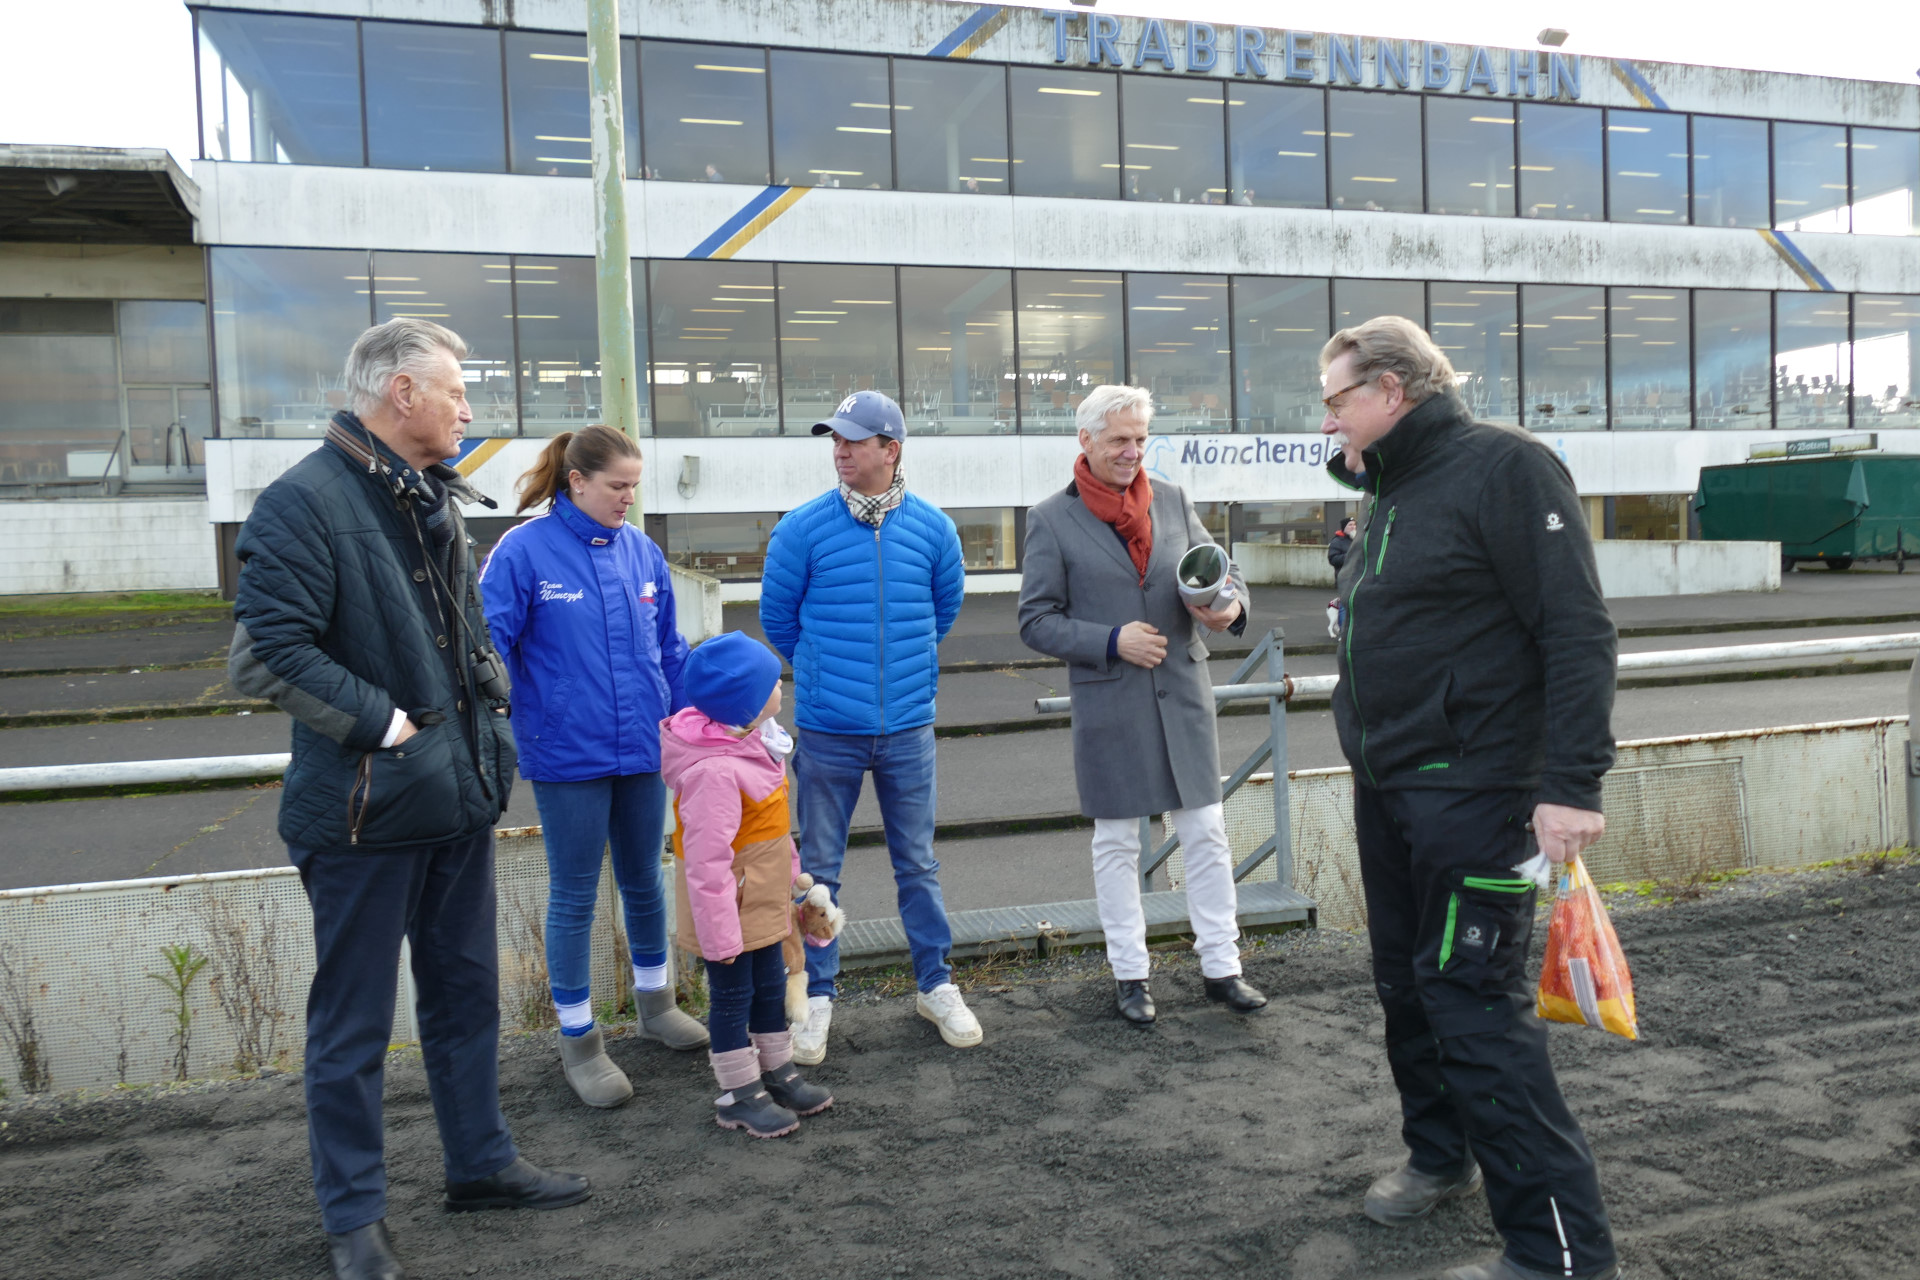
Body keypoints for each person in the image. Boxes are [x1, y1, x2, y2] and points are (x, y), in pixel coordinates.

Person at [228, 317, 587, 1280]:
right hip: (364, 814)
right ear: (402, 395)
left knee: (467, 996)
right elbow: (265, 655)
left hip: (452, 799)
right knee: (352, 1026)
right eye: (457, 392)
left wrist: (488, 706)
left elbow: (462, 634)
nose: (469, 410)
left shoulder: (428, 495)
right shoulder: (305, 502)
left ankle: (481, 1165)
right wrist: (387, 726)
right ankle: (354, 1220)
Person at [1318, 315, 1620, 1280]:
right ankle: (1439, 1154)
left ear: (1392, 389)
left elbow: (1577, 630)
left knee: (1473, 1003)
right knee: (1405, 986)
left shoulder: (1506, 469)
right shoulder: (1389, 490)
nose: (1327, 420)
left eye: (1336, 399)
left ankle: (1560, 1253)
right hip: (1392, 786)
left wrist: (1571, 785)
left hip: (1481, 794)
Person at [1016, 384, 1268, 1026]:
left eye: (1141, 439)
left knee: (1205, 833)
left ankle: (1223, 968)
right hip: (1111, 703)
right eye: (1120, 440)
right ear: (1086, 440)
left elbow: (1226, 575)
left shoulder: (1174, 500)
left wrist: (1228, 608)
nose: (1133, 452)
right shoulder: (1050, 519)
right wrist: (1111, 640)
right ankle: (1130, 975)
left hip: (1183, 695)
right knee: (1117, 842)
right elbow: (1035, 620)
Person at [479, 425, 710, 1111]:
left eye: (635, 485)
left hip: (640, 747)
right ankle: (579, 1039)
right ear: (576, 482)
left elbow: (669, 650)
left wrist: (693, 724)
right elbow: (487, 648)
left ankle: (655, 1005)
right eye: (617, 486)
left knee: (645, 880)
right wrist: (502, 723)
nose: (629, 498)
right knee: (575, 895)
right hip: (566, 755)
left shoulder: (641, 551)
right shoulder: (522, 551)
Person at [758, 389, 981, 1064]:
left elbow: (943, 612)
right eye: (836, 439)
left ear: (892, 449)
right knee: (819, 871)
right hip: (829, 730)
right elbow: (778, 620)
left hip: (908, 728)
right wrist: (825, 673)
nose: (841, 450)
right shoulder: (801, 529)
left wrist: (896, 676)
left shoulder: (935, 530)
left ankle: (935, 985)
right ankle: (816, 997)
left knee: (918, 863)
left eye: (854, 440)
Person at [659, 631, 834, 1139]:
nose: (781, 686)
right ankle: (739, 1091)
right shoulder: (714, 771)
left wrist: (793, 877)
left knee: (770, 984)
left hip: (762, 898)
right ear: (746, 703)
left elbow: (772, 829)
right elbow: (706, 862)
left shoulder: (752, 741)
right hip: (729, 911)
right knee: (733, 996)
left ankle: (776, 1072)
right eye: (771, 682)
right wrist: (719, 936)